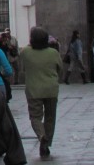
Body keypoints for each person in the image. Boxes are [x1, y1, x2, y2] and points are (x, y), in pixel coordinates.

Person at [19, 26, 62, 158]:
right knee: (50, 117)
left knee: (35, 117)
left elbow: (22, 68)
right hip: (51, 89)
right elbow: (60, 69)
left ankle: (42, 135)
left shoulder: (25, 52)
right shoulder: (53, 52)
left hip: (33, 89)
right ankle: (47, 143)